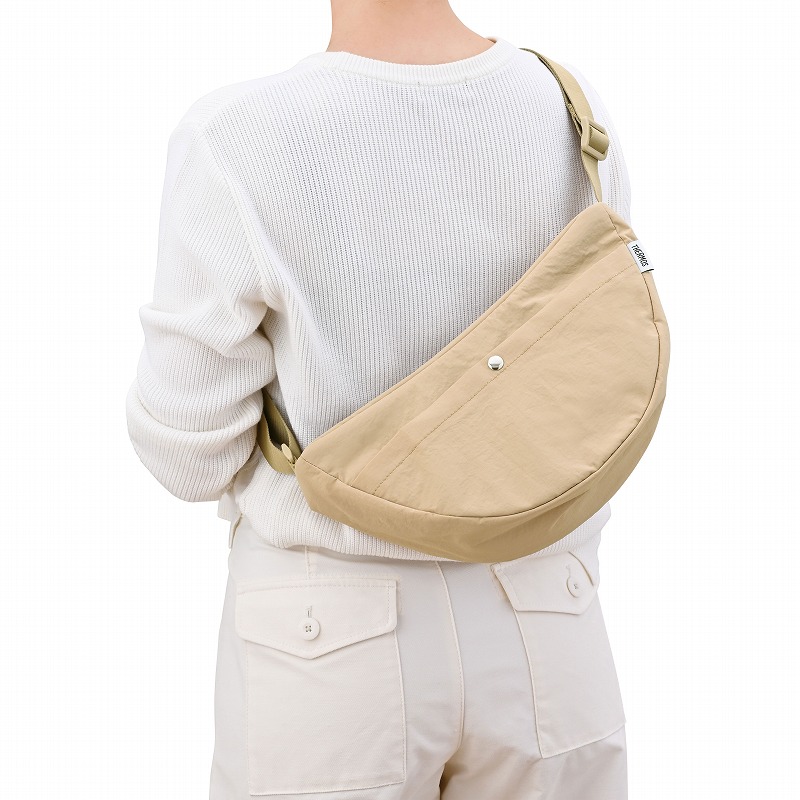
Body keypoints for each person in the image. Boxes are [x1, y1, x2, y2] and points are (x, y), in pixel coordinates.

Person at [126, 2, 632, 798]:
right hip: (547, 619)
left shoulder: (236, 137)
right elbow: (603, 366)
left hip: (328, 638)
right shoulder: (570, 107)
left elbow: (188, 454)